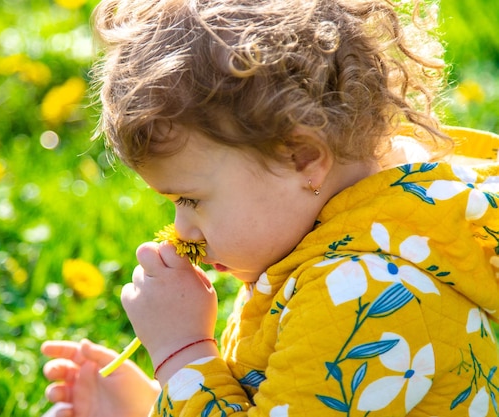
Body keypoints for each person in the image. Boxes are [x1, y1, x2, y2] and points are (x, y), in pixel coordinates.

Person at [41, 0, 499, 415]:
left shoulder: (361, 289)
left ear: (302, 158)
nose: (183, 230)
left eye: (191, 199)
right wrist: (151, 405)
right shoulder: (342, 232)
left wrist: (182, 357)